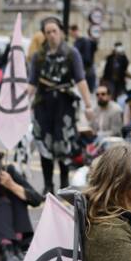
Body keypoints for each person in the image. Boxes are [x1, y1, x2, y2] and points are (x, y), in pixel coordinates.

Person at [30, 17, 94, 196]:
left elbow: (81, 80)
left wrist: (89, 106)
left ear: (61, 32)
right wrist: (18, 104)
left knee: (64, 145)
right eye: (48, 32)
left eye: (54, 31)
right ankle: (48, 185)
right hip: (43, 105)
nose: (51, 35)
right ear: (44, 34)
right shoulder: (39, 56)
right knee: (45, 145)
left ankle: (64, 184)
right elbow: (32, 84)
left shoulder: (71, 53)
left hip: (65, 105)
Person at [71, 24, 98, 92]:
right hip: (84, 69)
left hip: (86, 69)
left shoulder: (84, 41)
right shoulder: (78, 42)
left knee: (87, 90)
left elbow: (87, 58)